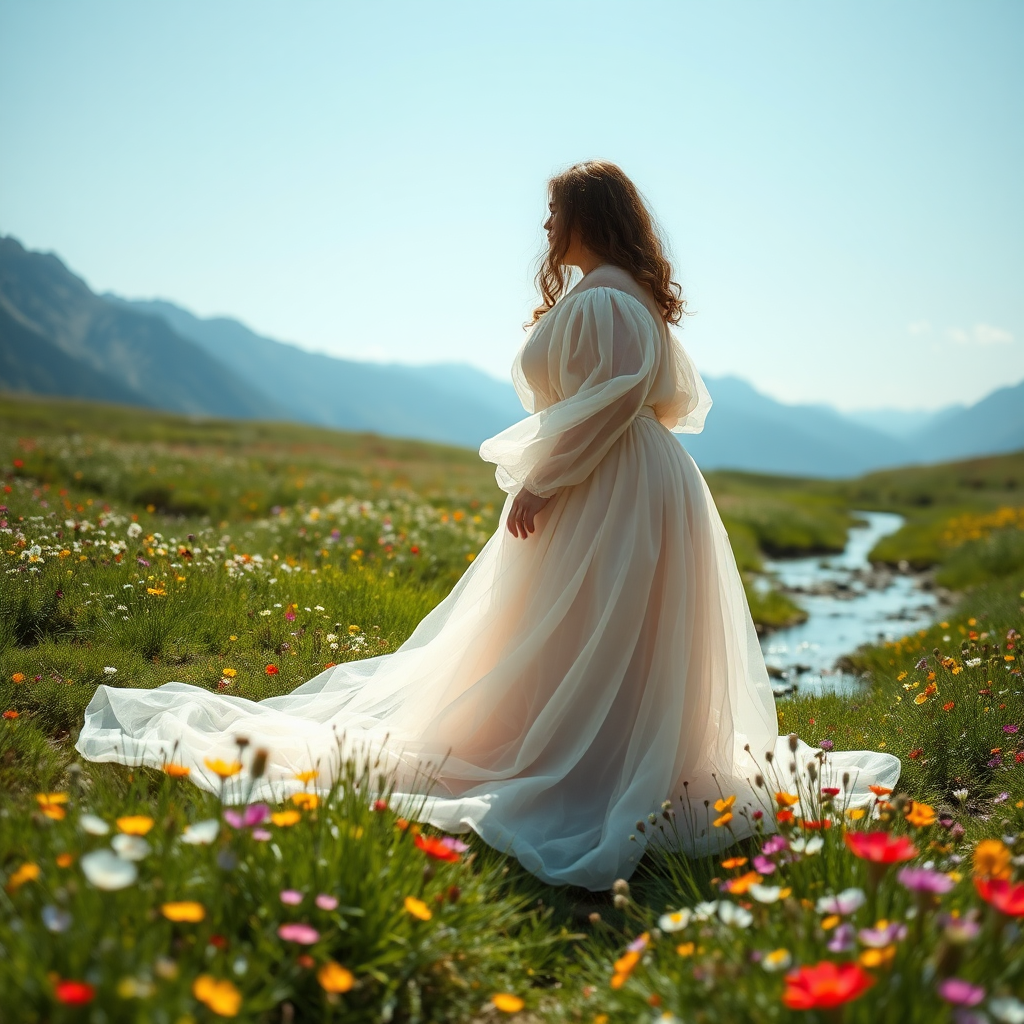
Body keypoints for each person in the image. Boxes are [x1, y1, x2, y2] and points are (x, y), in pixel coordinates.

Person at [76, 160, 900, 891]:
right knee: (583, 625)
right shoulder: (622, 296)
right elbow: (643, 403)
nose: (545, 228)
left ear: (589, 216)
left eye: (555, 212)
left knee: (585, 620)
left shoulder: (611, 300)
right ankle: (594, 749)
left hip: (611, 480)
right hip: (628, 480)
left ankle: (586, 763)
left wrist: (543, 480)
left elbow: (609, 404)